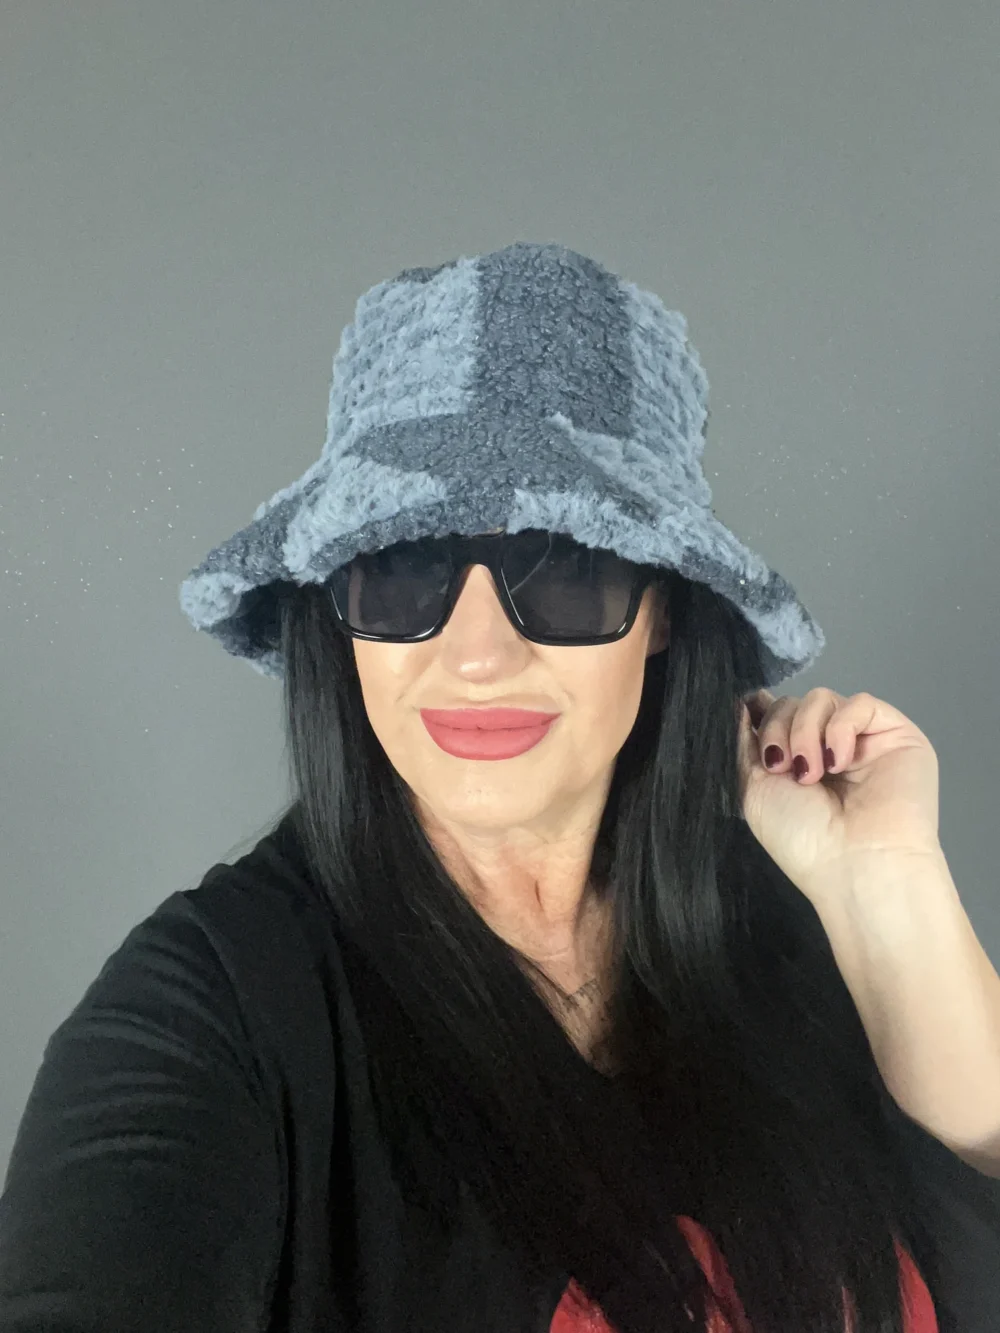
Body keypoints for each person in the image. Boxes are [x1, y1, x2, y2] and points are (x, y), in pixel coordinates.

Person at [2, 242, 998, 1332]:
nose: (477, 654)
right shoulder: (222, 1008)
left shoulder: (797, 931)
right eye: (402, 571)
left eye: (565, 568)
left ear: (663, 613)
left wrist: (885, 883)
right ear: (339, 620)